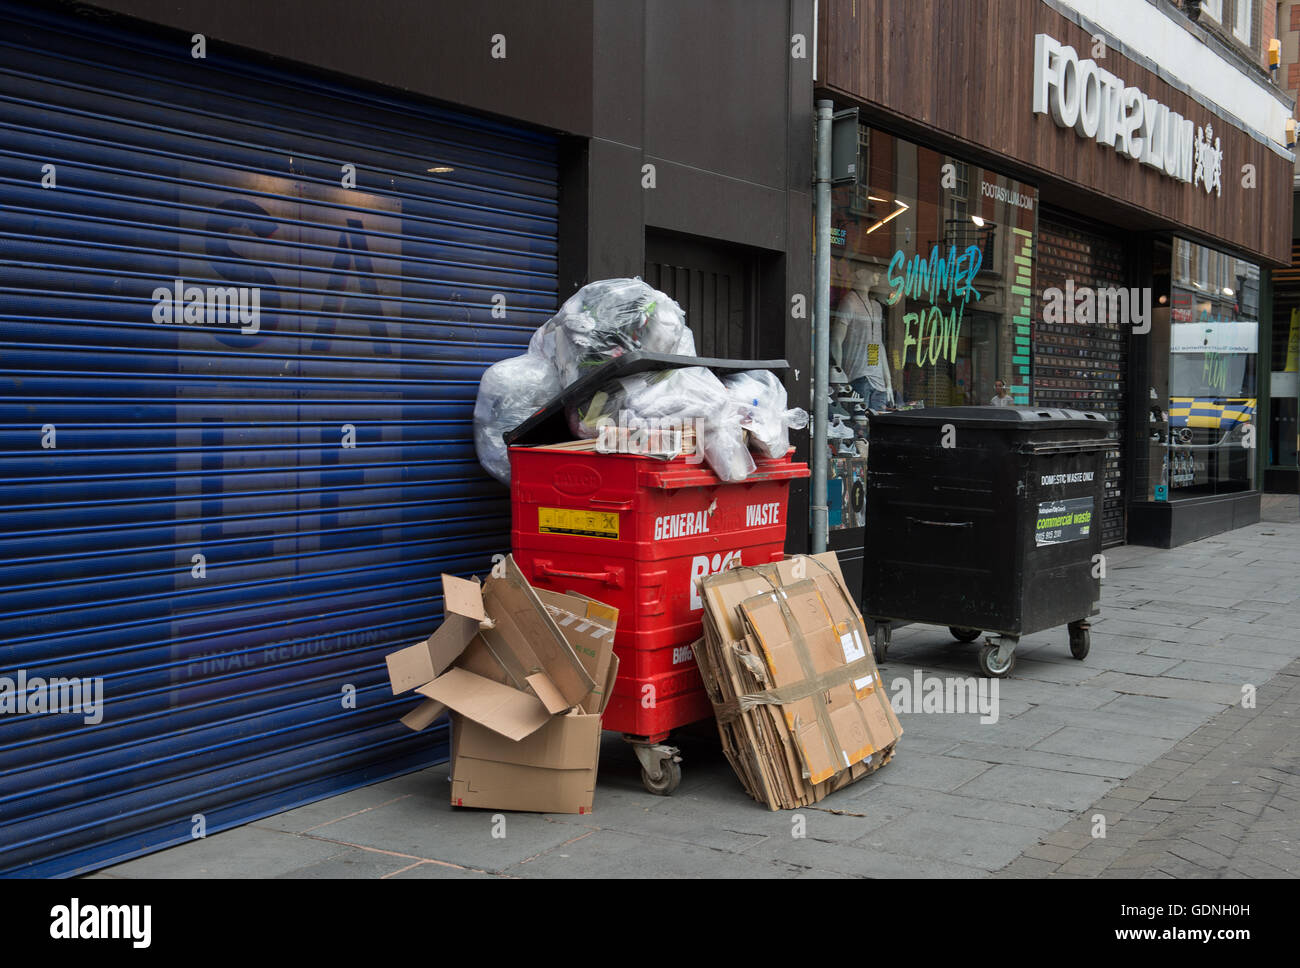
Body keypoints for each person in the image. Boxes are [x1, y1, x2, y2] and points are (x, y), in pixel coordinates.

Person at [832, 268, 894, 410]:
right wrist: (839, 380)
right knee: (860, 427)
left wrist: (888, 382)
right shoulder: (850, 302)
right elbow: (836, 340)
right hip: (858, 378)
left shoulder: (877, 307)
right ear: (859, 274)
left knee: (879, 429)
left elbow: (879, 345)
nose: (877, 273)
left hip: (879, 384)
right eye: (873, 270)